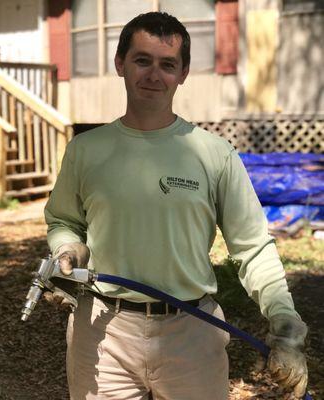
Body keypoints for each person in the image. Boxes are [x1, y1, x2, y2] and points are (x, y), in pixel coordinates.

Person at [44, 11, 308, 400]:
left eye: (168, 64)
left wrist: (285, 325)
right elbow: (63, 220)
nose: (154, 74)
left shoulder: (214, 154)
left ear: (183, 73)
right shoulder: (85, 151)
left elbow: (253, 247)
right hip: (102, 332)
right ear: (120, 63)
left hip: (192, 331)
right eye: (142, 60)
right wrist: (68, 248)